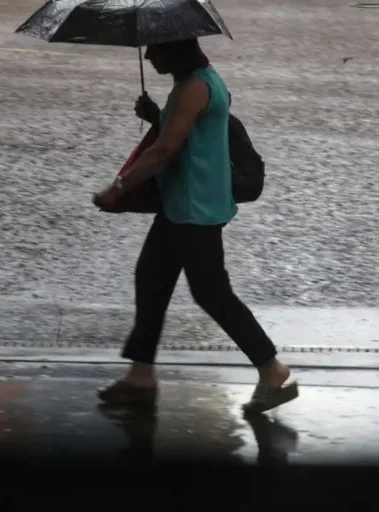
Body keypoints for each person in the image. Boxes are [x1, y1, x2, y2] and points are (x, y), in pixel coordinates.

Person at [92, 38, 298, 414]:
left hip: (194, 210)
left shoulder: (193, 88)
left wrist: (118, 188)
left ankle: (271, 369)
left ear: (174, 50)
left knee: (212, 293)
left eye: (154, 48)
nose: (149, 55)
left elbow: (165, 151)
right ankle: (140, 376)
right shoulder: (203, 81)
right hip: (184, 207)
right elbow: (195, 138)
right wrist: (158, 116)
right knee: (152, 279)